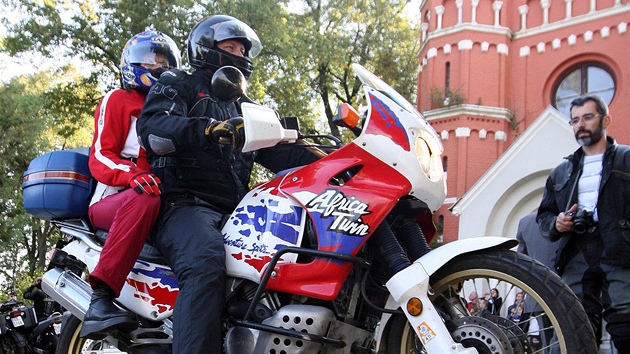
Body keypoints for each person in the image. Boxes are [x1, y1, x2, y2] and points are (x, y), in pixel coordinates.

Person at [136, 15, 322, 353]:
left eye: (242, 48)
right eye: (231, 46)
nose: (239, 53)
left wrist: (335, 160)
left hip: (232, 210)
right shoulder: (178, 82)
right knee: (206, 260)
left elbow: (280, 151)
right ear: (207, 47)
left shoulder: (243, 105)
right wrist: (208, 130)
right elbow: (154, 129)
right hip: (183, 205)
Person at [80, 31, 181, 339]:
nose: (158, 66)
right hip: (115, 198)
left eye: (164, 62)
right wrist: (132, 175)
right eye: (151, 60)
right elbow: (100, 156)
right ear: (133, 63)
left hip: (157, 199)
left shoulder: (175, 112)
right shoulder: (118, 100)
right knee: (146, 196)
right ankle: (101, 299)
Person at [537, 94, 630, 354]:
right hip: (577, 252)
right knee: (576, 327)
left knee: (625, 326)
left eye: (588, 117)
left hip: (621, 250)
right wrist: (558, 222)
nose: (581, 125)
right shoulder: (561, 171)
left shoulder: (627, 159)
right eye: (575, 120)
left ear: (605, 120)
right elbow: (544, 215)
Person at [516, 212, 560, 349]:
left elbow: (520, 261)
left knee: (548, 343)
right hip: (566, 288)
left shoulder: (525, 221)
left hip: (537, 294)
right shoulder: (566, 218)